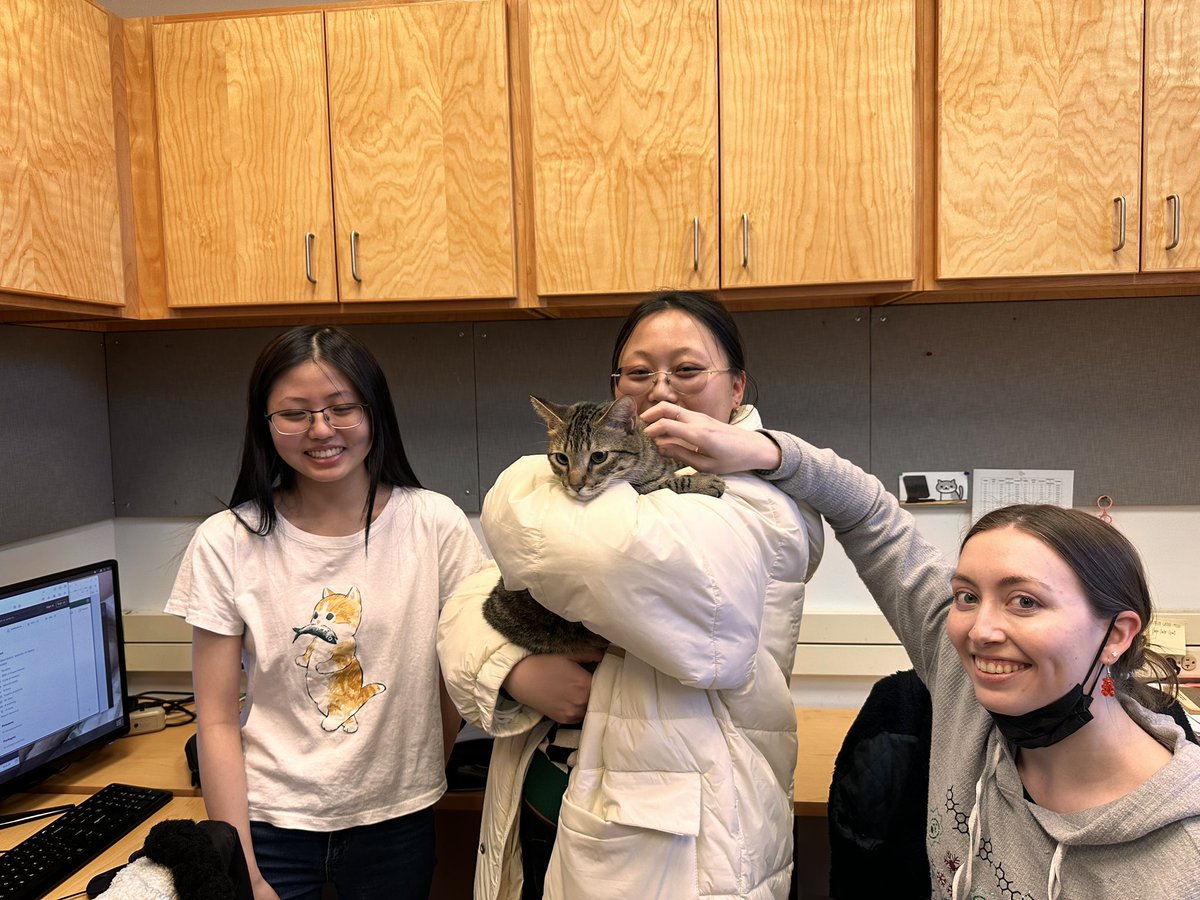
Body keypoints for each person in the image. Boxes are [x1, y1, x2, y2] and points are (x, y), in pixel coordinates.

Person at [641, 410, 1200, 899]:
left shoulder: (1183, 855)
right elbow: (867, 515)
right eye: (966, 596)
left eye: (1024, 602)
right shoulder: (968, 686)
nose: (980, 630)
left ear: (1119, 633)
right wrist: (765, 450)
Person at [438, 291, 825, 899]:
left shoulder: (759, 500)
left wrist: (519, 491)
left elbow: (601, 559)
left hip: (673, 835)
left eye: (689, 370)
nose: (661, 389)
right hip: (542, 794)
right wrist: (513, 670)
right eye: (639, 372)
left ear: (737, 388)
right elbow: (470, 601)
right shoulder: (619, 466)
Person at [165, 326, 486, 900]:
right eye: (295, 414)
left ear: (375, 413)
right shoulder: (226, 540)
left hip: (399, 823)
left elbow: (456, 675)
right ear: (265, 424)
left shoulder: (435, 524)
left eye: (341, 409)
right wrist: (243, 868)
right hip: (269, 825)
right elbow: (214, 719)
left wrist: (415, 774)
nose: (321, 430)